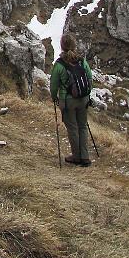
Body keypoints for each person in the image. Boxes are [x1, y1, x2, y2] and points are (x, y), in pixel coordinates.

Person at [50, 34, 93, 167]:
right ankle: (85, 157)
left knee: (73, 128)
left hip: (68, 101)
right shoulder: (81, 60)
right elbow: (90, 78)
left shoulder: (59, 65)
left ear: (62, 46)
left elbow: (54, 84)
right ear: (74, 45)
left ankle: (76, 156)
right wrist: (87, 94)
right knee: (82, 126)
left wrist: (54, 98)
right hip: (83, 99)